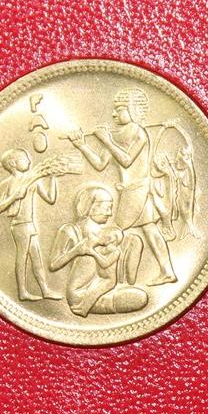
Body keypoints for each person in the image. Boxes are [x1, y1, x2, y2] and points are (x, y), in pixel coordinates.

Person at [68, 88, 178, 286]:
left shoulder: (139, 133)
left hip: (138, 190)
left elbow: (126, 160)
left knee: (116, 231)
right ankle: (166, 271)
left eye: (119, 109)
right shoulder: (115, 135)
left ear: (133, 110)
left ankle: (112, 277)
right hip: (130, 190)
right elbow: (100, 164)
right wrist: (81, 145)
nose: (113, 114)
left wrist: (106, 140)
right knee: (150, 230)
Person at [49, 185, 147, 317]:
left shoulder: (107, 234)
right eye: (106, 208)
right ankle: (87, 303)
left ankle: (106, 299)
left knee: (140, 297)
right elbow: (53, 265)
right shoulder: (70, 230)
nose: (110, 213)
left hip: (104, 287)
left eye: (110, 208)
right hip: (79, 294)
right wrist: (77, 251)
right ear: (91, 207)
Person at [0, 148, 60, 301]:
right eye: (24, 158)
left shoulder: (33, 180)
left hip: (30, 224)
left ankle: (45, 290)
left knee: (37, 258)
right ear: (13, 163)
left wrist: (53, 178)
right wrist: (14, 197)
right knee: (22, 258)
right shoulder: (6, 184)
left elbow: (50, 199)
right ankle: (22, 292)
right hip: (19, 225)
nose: (29, 160)